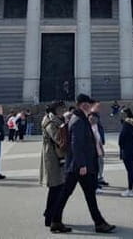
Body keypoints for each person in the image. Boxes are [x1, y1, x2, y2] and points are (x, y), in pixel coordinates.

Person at [48, 93, 115, 234]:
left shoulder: (79, 118)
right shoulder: (78, 120)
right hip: (79, 166)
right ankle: (98, 223)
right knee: (83, 194)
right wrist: (82, 165)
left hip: (76, 166)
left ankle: (56, 221)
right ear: (83, 105)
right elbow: (76, 144)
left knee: (74, 194)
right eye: (88, 104)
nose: (90, 106)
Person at [40, 101, 66, 227]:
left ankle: (49, 214)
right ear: (54, 109)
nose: (62, 111)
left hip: (57, 157)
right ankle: (50, 217)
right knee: (56, 187)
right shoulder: (50, 122)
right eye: (60, 109)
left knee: (57, 188)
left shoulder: (56, 120)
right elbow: (58, 138)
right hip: (53, 157)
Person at [118, 107, 133, 197]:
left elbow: (122, 137)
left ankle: (130, 189)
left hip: (126, 149)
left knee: (130, 170)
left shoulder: (126, 124)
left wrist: (121, 146)